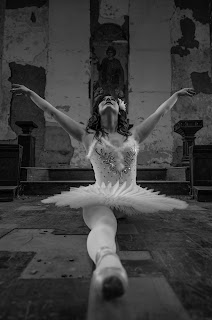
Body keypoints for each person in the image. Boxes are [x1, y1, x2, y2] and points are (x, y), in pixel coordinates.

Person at [10, 84, 196, 301]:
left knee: (111, 221)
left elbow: (160, 112)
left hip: (128, 199)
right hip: (100, 196)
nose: (108, 100)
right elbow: (53, 112)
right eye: (103, 100)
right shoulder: (87, 136)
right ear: (97, 111)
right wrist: (32, 94)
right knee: (104, 225)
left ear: (120, 110)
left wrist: (175, 95)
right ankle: (108, 263)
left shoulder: (135, 135)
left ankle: (108, 259)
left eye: (113, 99)